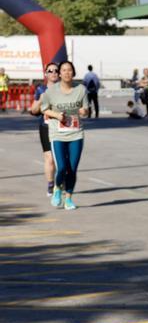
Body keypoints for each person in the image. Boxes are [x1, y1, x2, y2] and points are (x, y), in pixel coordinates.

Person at [40, 61, 89, 211]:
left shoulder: (81, 89)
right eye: (64, 70)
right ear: (59, 74)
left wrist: (84, 112)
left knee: (72, 169)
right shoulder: (51, 91)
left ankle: (68, 198)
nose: (67, 73)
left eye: (70, 70)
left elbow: (86, 108)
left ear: (73, 73)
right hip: (57, 134)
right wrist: (57, 115)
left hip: (76, 133)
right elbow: (44, 109)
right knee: (61, 168)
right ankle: (57, 188)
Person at [30, 63, 59, 196]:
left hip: (62, 127)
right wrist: (41, 100)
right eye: (50, 71)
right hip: (45, 126)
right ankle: (50, 184)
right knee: (49, 158)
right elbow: (33, 110)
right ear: (46, 74)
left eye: (56, 71)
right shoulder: (41, 89)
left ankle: (61, 182)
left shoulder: (64, 89)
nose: (53, 73)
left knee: (61, 159)